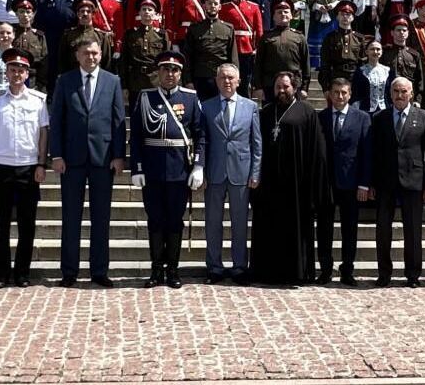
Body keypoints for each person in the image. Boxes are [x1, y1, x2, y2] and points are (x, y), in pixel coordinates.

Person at [50, 39, 125, 287]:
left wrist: (118, 155)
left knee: (101, 217)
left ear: (101, 55)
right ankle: (69, 271)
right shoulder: (65, 80)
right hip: (71, 160)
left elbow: (118, 121)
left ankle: (99, 270)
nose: (90, 57)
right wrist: (57, 155)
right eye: (85, 53)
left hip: (103, 159)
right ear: (77, 55)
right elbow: (57, 119)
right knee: (71, 217)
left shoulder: (112, 81)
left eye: (94, 53)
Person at [130, 51, 206, 288]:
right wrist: (137, 168)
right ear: (158, 72)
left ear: (180, 74)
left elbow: (200, 134)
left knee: (174, 220)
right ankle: (156, 270)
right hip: (152, 169)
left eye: (174, 70)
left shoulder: (191, 98)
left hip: (179, 170)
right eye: (165, 69)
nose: (169, 74)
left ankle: (173, 269)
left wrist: (199, 166)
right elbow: (137, 137)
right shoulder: (145, 98)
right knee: (155, 220)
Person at [249, 70, 331, 286]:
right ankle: (267, 272)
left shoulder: (307, 112)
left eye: (285, 86)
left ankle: (296, 273)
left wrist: (314, 184)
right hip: (269, 184)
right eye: (278, 87)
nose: (281, 90)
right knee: (269, 228)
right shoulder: (266, 112)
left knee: (296, 230)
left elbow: (317, 151)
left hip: (297, 185)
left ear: (294, 88)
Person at [0, 48, 48, 288]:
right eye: (13, 69)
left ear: (27, 73)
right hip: (1, 167)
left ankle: (22, 273)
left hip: (28, 169)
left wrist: (42, 163)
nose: (17, 74)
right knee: (0, 225)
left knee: (26, 224)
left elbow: (43, 134)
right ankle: (1, 273)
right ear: (6, 73)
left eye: (21, 70)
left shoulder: (39, 101)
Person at [200, 62, 261, 284]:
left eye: (231, 78)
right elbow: (202, 141)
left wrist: (255, 172)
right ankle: (214, 266)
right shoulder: (205, 107)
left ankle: (239, 266)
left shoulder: (250, 106)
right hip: (214, 172)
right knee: (212, 222)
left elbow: (256, 143)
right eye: (223, 78)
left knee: (240, 222)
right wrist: (201, 169)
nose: (227, 81)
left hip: (241, 172)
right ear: (216, 81)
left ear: (238, 81)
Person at [370, 76, 425, 288]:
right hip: (386, 180)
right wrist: (371, 182)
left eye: (403, 92)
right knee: (383, 230)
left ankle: (413, 273)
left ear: (411, 94)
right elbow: (375, 152)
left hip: (413, 179)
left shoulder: (424, 117)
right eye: (396, 91)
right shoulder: (380, 118)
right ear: (390, 94)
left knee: (413, 230)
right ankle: (384, 273)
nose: (399, 95)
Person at [316, 77, 371, 285]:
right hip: (327, 183)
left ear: (350, 95)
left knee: (350, 228)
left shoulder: (362, 118)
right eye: (336, 92)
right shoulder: (320, 117)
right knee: (324, 228)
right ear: (329, 94)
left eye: (344, 92)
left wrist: (364, 183)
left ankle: (347, 269)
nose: (339, 96)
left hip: (351, 183)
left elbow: (367, 153)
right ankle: (325, 269)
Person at [184, 0, 238, 101]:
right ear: (204, 6)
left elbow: (233, 57)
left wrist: (234, 79)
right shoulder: (194, 28)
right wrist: (188, 81)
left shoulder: (228, 28)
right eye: (209, 3)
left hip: (221, 79)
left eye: (215, 3)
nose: (212, 6)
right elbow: (188, 57)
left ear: (220, 7)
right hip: (199, 78)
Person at [255, 0, 309, 103]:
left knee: (293, 117)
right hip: (270, 85)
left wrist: (304, 87)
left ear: (291, 15)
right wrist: (258, 87)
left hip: (293, 85)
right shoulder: (266, 37)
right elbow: (258, 64)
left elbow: (305, 64)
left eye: (286, 12)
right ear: (274, 17)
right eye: (279, 12)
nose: (283, 14)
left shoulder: (299, 37)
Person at [118, 0, 170, 99]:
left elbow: (166, 62)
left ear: (155, 14)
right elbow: (124, 61)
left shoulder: (162, 35)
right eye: (144, 9)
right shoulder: (130, 34)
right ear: (139, 13)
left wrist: (165, 83)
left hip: (155, 82)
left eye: (150, 10)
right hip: (135, 82)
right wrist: (124, 86)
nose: (147, 12)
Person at [219, 0, 265, 92]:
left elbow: (259, 30)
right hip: (230, 46)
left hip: (247, 47)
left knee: (245, 79)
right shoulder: (224, 8)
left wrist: (258, 47)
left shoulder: (254, 7)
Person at [319, 1, 367, 95]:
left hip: (354, 79)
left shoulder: (359, 38)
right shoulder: (330, 38)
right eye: (342, 14)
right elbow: (325, 64)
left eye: (348, 14)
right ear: (337, 17)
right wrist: (326, 87)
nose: (345, 17)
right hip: (336, 77)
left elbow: (363, 63)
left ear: (353, 17)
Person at [307, 0, 340, 67]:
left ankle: (331, 64)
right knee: (318, 43)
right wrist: (318, 6)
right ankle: (316, 66)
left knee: (331, 41)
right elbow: (310, 1)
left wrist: (334, 5)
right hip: (318, 19)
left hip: (332, 18)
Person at [351, 39, 391, 115]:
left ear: (382, 52)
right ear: (367, 52)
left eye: (378, 49)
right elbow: (355, 93)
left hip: (385, 110)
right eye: (372, 49)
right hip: (365, 110)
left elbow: (390, 93)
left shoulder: (388, 71)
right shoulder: (360, 71)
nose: (375, 52)